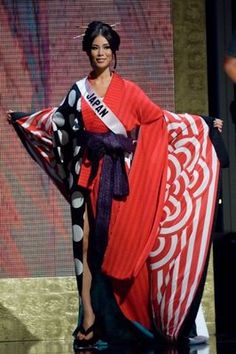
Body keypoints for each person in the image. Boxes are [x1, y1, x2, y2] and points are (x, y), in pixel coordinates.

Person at [8, 21, 225, 350]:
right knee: (83, 248)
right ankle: (89, 317)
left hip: (119, 180)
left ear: (114, 52)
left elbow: (159, 119)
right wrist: (29, 119)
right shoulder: (78, 90)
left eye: (106, 48)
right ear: (88, 51)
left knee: (114, 249)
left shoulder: (130, 91)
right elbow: (59, 122)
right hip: (86, 175)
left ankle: (125, 321)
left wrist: (203, 124)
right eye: (95, 48)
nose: (100, 53)